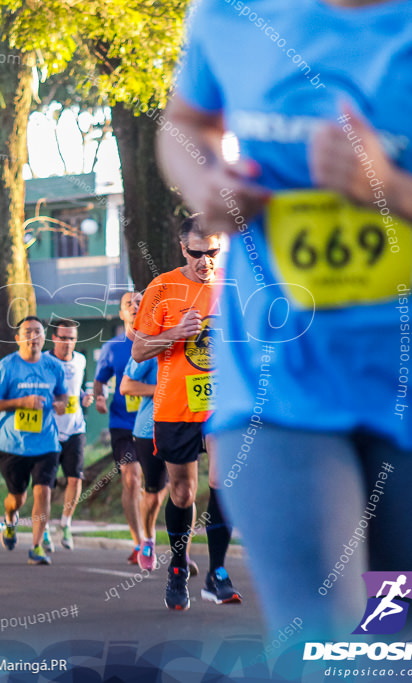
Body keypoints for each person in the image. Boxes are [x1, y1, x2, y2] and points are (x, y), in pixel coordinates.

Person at [158, 0, 412, 639]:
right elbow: (185, 123)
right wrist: (207, 183)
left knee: (399, 641)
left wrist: (392, 191)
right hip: (277, 382)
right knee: (321, 639)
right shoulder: (229, 16)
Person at [132, 216, 238, 610]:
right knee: (183, 491)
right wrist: (174, 334)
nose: (205, 261)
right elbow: (140, 350)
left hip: (222, 405)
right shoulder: (161, 288)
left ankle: (218, 572)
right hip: (176, 404)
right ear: (183, 249)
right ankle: (178, 565)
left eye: (213, 252)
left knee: (222, 480)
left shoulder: (234, 284)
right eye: (197, 253)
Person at [0, 317, 67, 566]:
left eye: (38, 332)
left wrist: (61, 404)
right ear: (18, 338)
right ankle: (10, 520)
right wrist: (21, 402)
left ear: (44, 338)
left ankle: (37, 546)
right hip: (13, 444)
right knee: (17, 498)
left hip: (46, 442)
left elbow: (62, 395)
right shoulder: (7, 367)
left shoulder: (54, 366)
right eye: (28, 332)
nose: (33, 337)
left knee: (43, 491)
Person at [94, 292, 145, 564]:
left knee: (159, 487)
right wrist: (99, 397)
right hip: (123, 425)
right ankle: (139, 543)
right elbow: (99, 380)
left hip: (154, 422)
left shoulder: (157, 342)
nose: (135, 307)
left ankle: (146, 535)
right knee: (132, 478)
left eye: (139, 303)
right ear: (121, 313)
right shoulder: (113, 347)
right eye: (129, 304)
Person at [45, 318, 92, 550]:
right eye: (63, 338)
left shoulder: (81, 360)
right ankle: (42, 528)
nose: (68, 343)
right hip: (48, 431)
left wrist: (84, 398)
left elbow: (77, 387)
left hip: (75, 428)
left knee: (76, 478)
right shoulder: (44, 361)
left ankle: (65, 524)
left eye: (72, 338)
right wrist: (52, 403)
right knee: (45, 484)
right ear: (54, 338)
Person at [120, 357, 169, 572]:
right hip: (151, 430)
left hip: (187, 426)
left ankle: (182, 555)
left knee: (186, 492)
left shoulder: (198, 343)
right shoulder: (151, 344)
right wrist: (162, 389)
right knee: (154, 495)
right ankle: (147, 539)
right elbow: (126, 386)